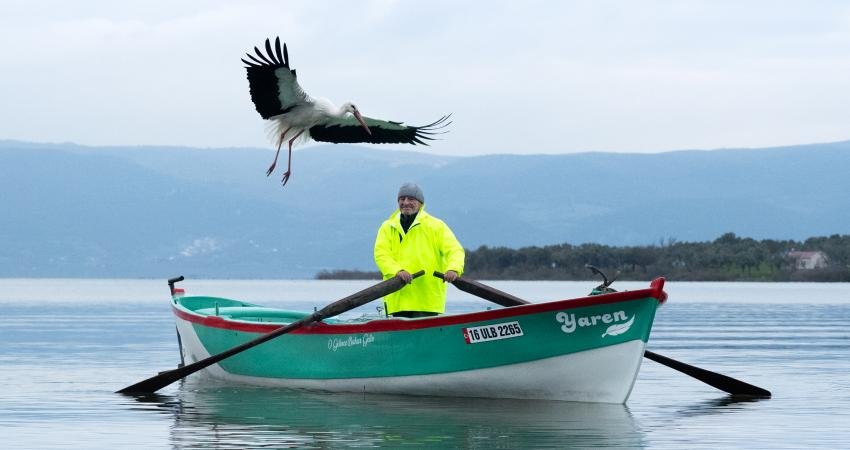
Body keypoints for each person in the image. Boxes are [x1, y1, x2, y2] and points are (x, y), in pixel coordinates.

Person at [374, 182, 465, 318]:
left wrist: (453, 269)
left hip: (426, 300)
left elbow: (455, 250)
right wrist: (397, 271)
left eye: (411, 199)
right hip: (396, 299)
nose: (406, 203)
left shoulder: (436, 226)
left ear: (420, 203)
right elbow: (381, 254)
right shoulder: (387, 227)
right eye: (402, 199)